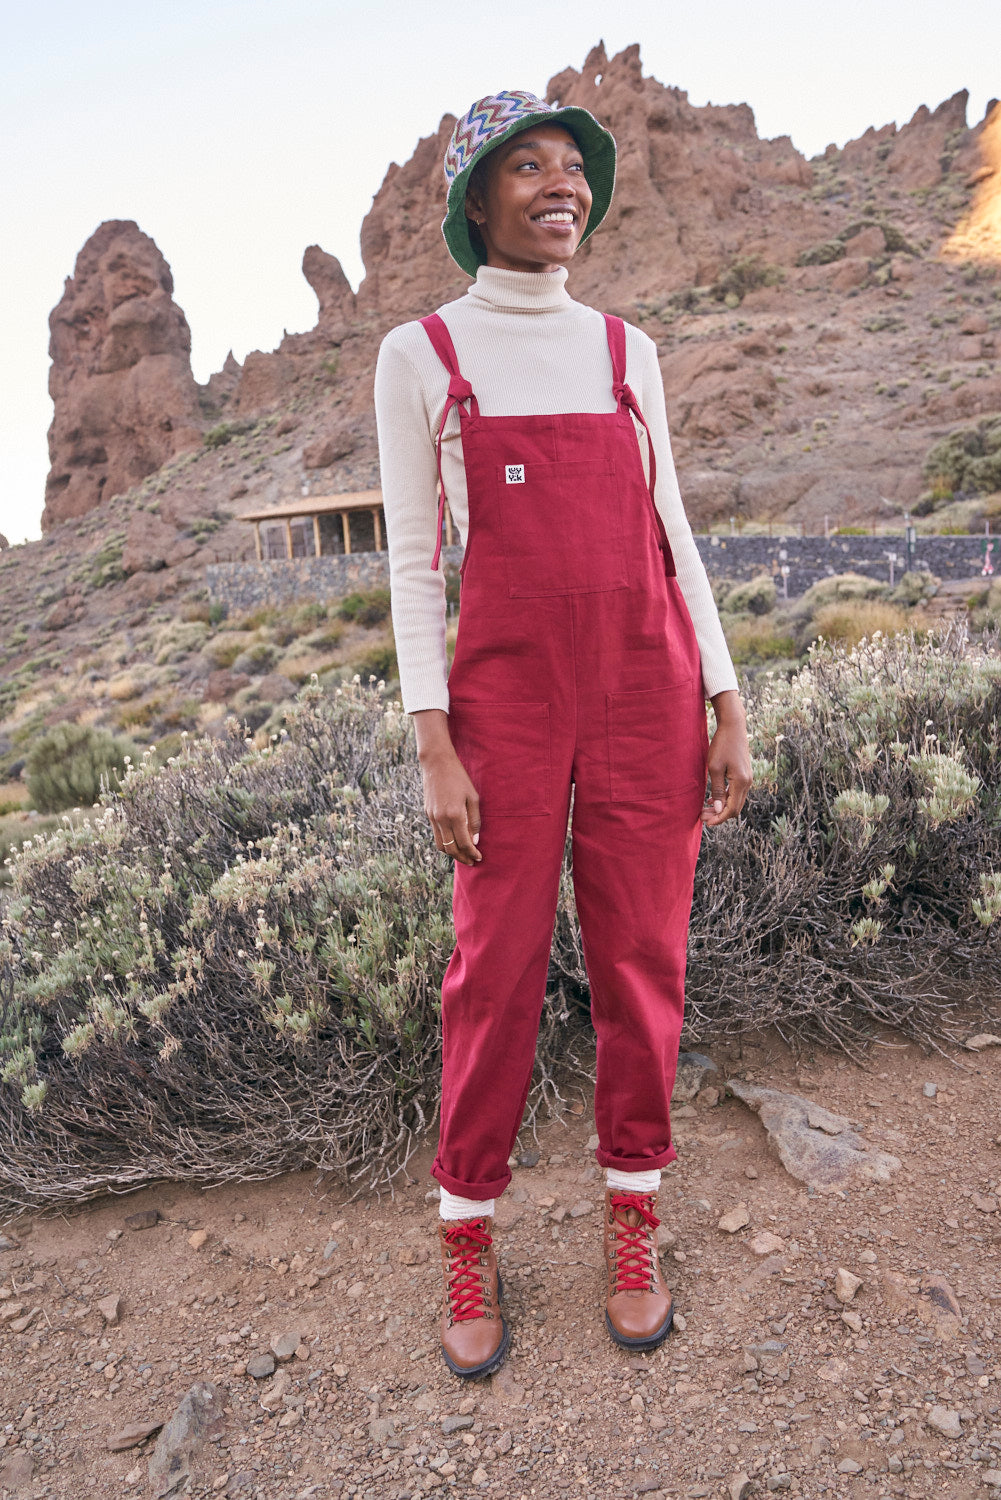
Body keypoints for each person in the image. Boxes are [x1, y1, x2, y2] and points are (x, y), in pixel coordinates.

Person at [375, 89, 751, 1380]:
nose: (560, 186)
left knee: (643, 957)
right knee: (495, 968)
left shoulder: (620, 349)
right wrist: (432, 739)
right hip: (502, 705)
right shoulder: (420, 353)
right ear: (475, 201)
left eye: (571, 168)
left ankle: (632, 1212)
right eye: (525, 168)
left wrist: (723, 692)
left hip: (648, 685)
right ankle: (466, 1229)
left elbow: (671, 526)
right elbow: (417, 565)